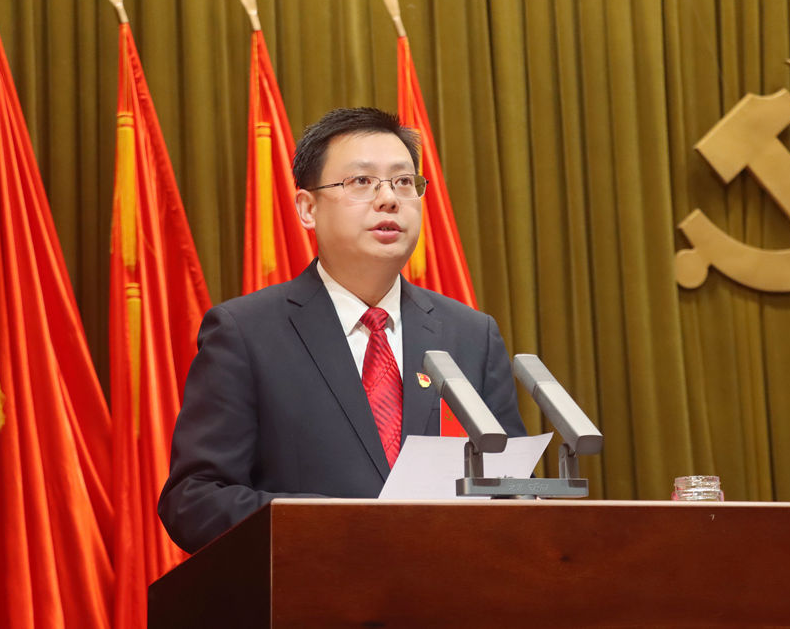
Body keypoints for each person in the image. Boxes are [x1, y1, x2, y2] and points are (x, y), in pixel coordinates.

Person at [158, 107, 527, 554]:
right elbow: (194, 500)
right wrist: (334, 526)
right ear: (307, 208)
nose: (388, 199)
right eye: (362, 181)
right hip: (309, 585)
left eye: (403, 182)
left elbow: (510, 489)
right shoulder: (245, 334)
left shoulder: (471, 335)